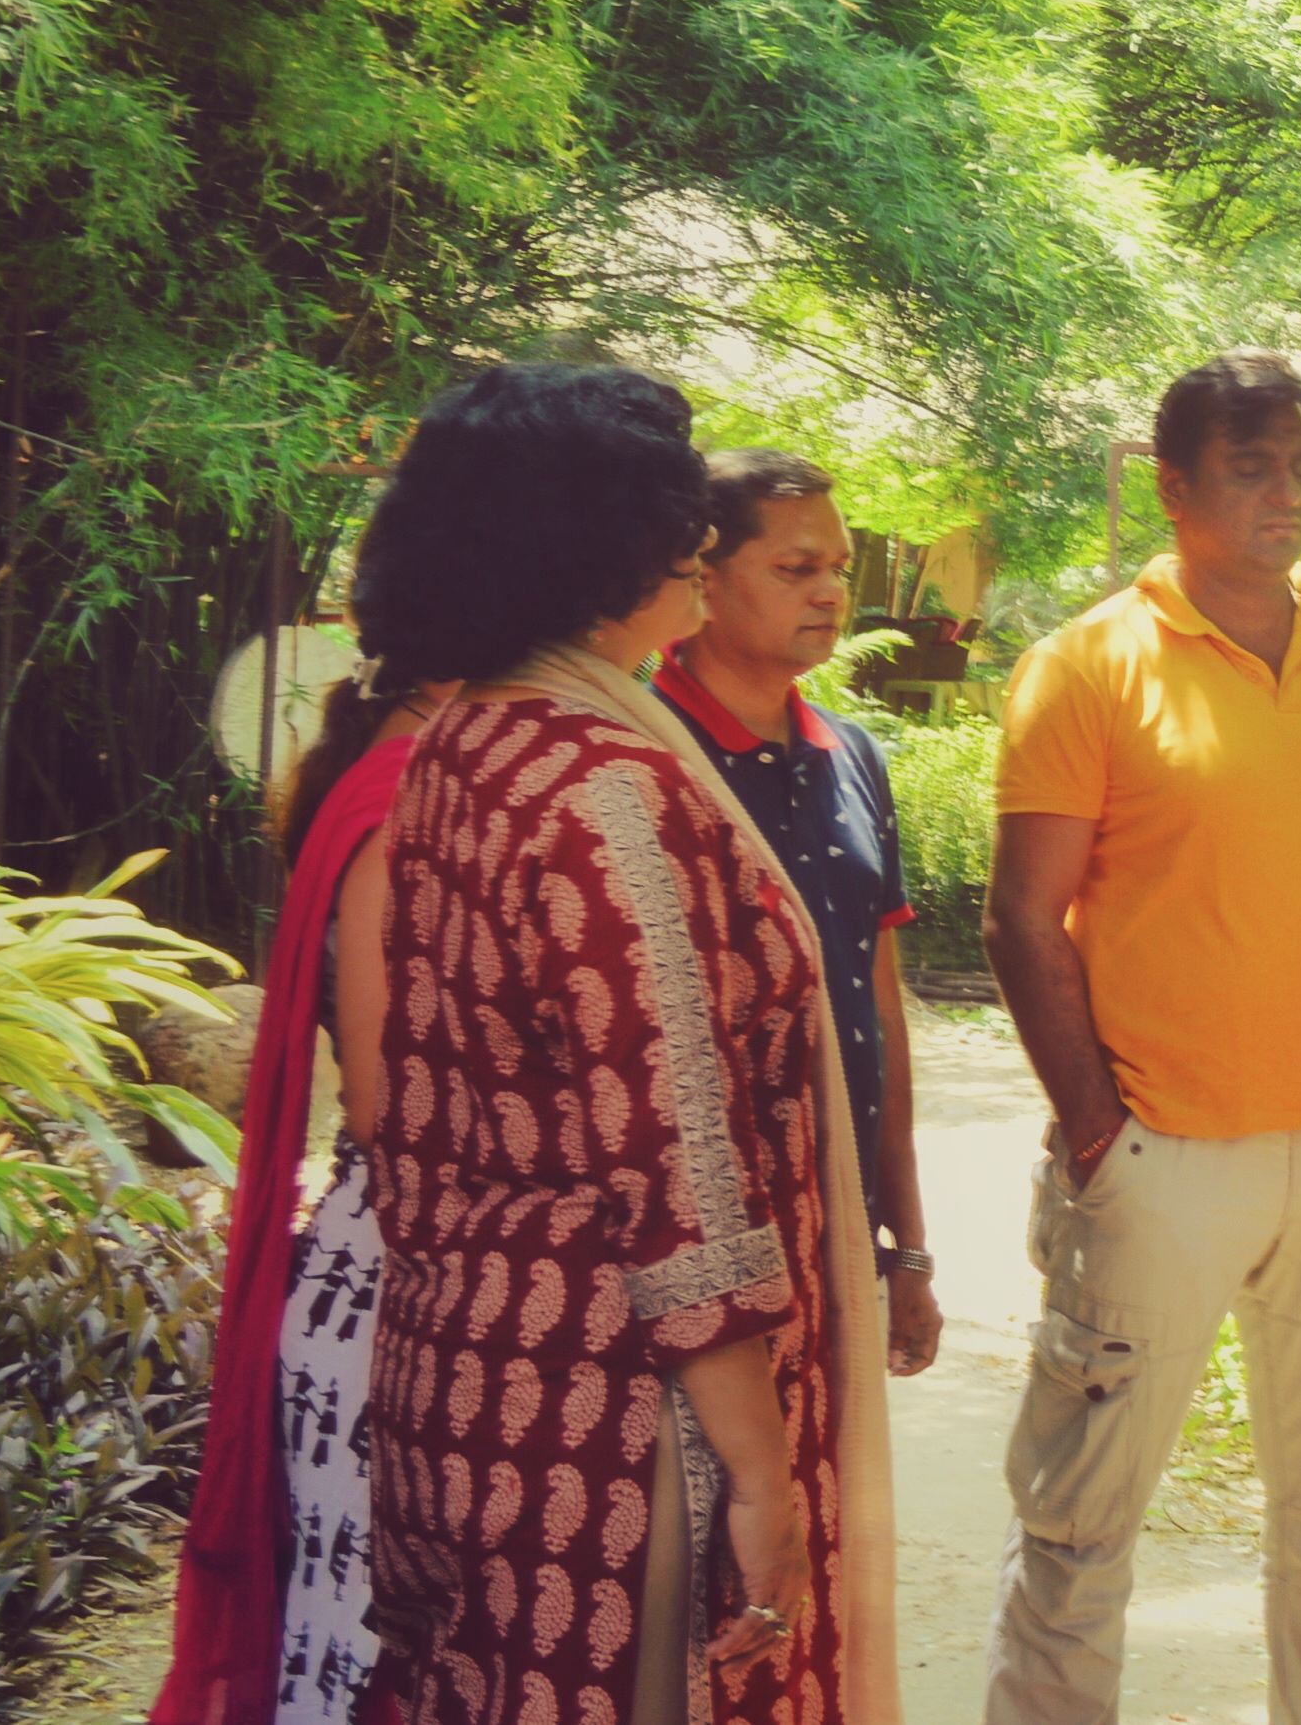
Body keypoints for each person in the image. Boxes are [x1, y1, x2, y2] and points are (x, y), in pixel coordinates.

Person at [358, 362, 896, 1725]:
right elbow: (677, 1165)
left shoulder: (466, 742)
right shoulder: (608, 790)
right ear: (607, 544)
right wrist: (763, 1475)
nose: (697, 542)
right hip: (606, 1423)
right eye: (675, 516)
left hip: (464, 1383)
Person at [980, 355, 1301, 1725]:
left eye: (1300, 463)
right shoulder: (1087, 664)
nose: (1284, 491)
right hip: (1161, 1152)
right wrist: (1098, 1134)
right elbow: (1021, 914)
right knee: (1078, 1528)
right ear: (1174, 487)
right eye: (1250, 467)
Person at [153, 658, 451, 1725]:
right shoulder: (405, 799)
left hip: (381, 1260)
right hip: (394, 1275)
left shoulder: (387, 776)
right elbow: (380, 1102)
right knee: (364, 1646)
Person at [655, 448, 942, 1377]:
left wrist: (907, 1245)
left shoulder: (852, 755)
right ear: (702, 577)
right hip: (695, 1251)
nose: (829, 593)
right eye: (795, 568)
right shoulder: (640, 753)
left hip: (843, 1224)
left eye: (838, 569)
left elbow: (879, 1012)